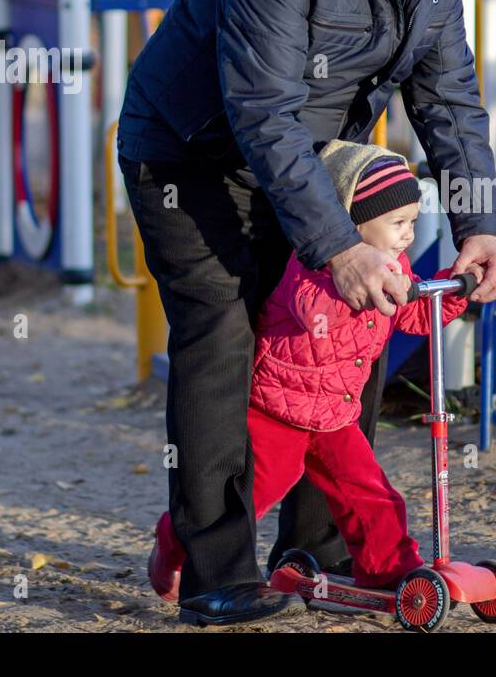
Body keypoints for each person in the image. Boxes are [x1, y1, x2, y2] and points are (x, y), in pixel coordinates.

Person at [117, 0, 496, 626]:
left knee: (350, 331)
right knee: (224, 340)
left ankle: (317, 549)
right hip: (191, 157)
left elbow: (449, 96)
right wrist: (335, 245)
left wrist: (479, 222)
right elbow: (261, 111)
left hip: (316, 164)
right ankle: (214, 568)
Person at [147, 144, 478, 612]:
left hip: (336, 414)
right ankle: (175, 541)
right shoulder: (315, 265)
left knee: (372, 495)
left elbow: (412, 317)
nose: (409, 234)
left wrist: (453, 291)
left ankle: (393, 572)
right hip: (279, 409)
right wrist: (364, 282)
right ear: (352, 222)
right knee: (252, 497)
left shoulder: (395, 265)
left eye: (412, 221)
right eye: (398, 223)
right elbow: (312, 309)